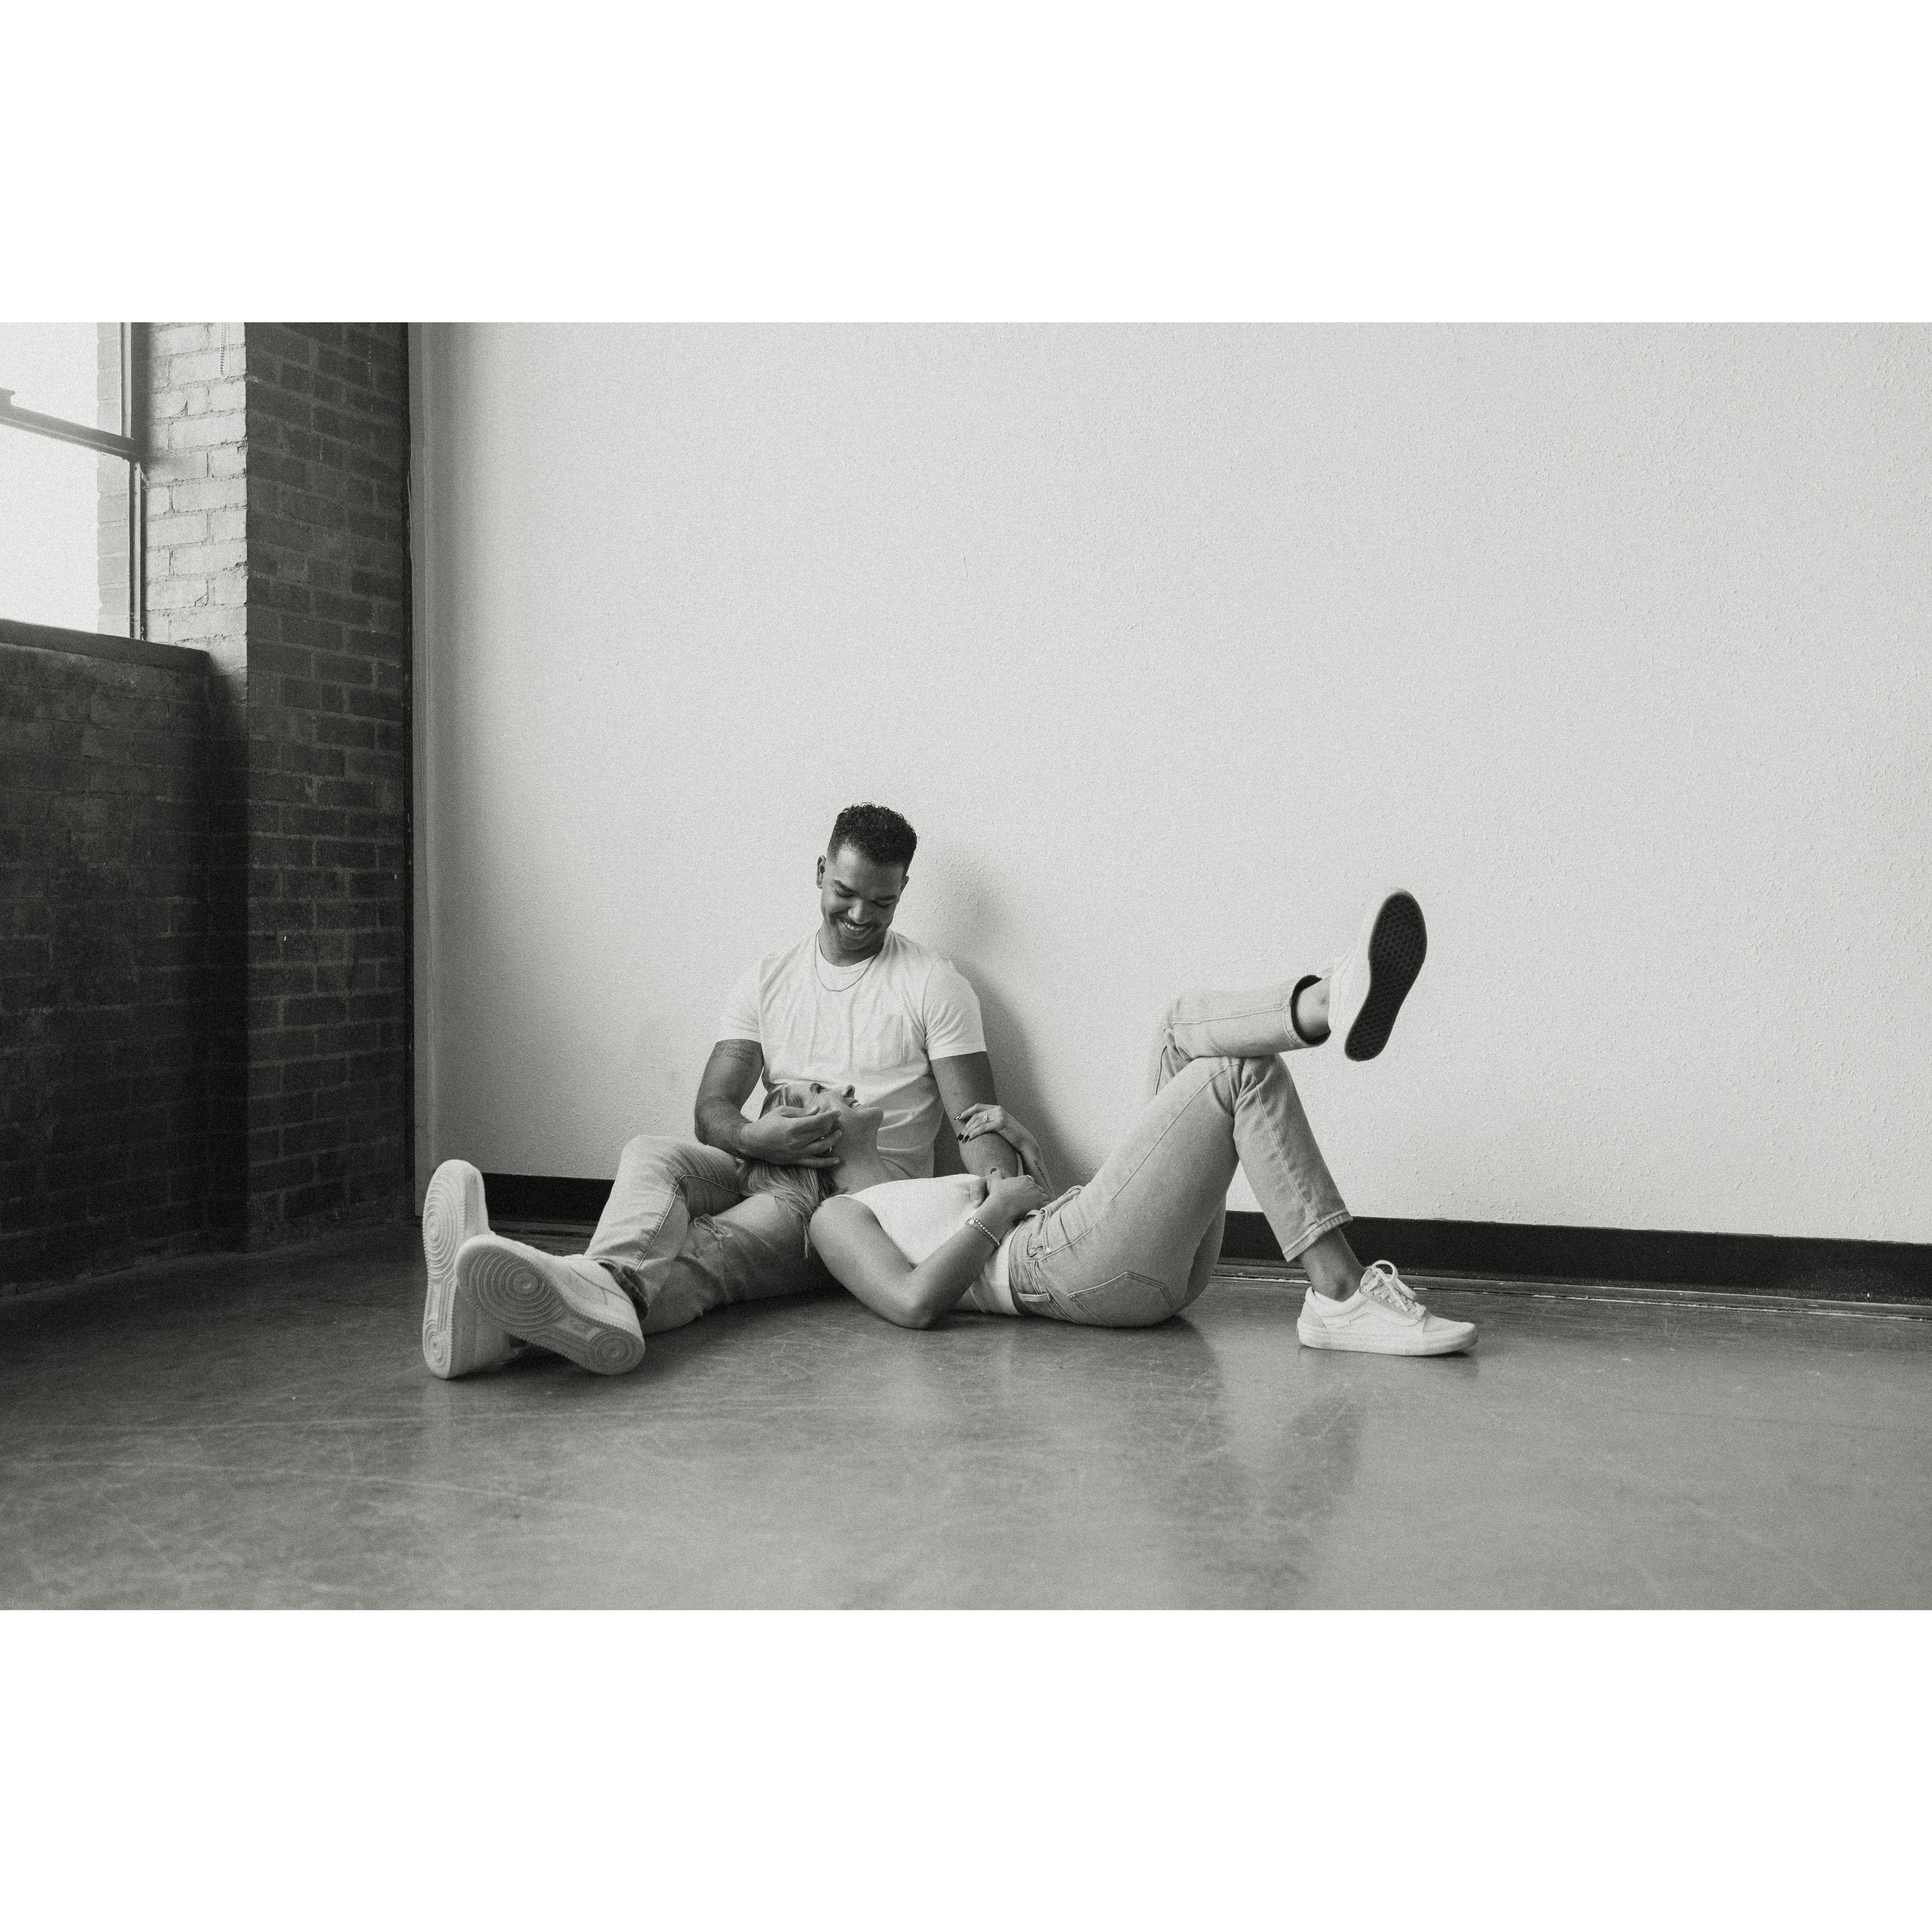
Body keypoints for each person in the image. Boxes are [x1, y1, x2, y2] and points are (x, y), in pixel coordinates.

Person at [417, 803, 1024, 1378]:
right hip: (760, 1160)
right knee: (651, 1153)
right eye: (845, 893)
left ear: (903, 890)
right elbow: (712, 1110)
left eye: (882, 901)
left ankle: (503, 1323)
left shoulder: (933, 985)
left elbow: (975, 1120)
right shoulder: (768, 979)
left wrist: (1002, 1201)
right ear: (820, 872)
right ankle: (596, 1286)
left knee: (707, 1251)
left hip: (848, 1199)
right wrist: (755, 1137)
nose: (862, 915)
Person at [805, 890, 1476, 1355]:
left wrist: (1024, 1158)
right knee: (1238, 1074)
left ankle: (1327, 1002)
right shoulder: (834, 1217)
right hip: (1065, 1272)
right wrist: (998, 1208)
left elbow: (1023, 1226)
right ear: (803, 1140)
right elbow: (914, 1303)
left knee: (1181, 1030)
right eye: (814, 1094)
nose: (841, 1086)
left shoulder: (903, 1183)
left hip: (1079, 1252)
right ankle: (1340, 1294)